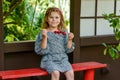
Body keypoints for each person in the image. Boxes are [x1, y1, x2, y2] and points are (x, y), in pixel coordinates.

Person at [34, 7, 75, 80]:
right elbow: (42, 50)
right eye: (51, 17)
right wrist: (44, 37)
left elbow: (68, 49)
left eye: (57, 17)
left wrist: (70, 40)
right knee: (55, 72)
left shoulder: (63, 32)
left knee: (70, 72)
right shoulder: (44, 32)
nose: (54, 20)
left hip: (62, 59)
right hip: (49, 60)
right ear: (47, 19)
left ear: (60, 19)